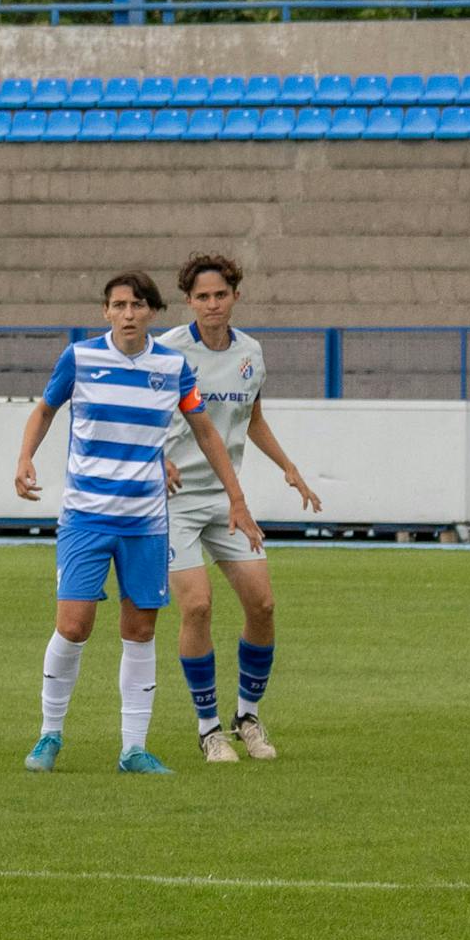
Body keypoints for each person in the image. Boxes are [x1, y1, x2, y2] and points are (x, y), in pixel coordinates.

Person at [11, 270, 261, 775]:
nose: (127, 314)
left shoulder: (171, 367)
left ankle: (133, 748)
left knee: (140, 629)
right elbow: (44, 410)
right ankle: (49, 734)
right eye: (118, 305)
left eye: (136, 306)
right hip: (86, 516)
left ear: (151, 312)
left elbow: (206, 433)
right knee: (73, 625)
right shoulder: (80, 358)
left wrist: (237, 498)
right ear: (106, 312)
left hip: (145, 522)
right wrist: (24, 458)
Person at [154, 254, 324, 763]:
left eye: (220, 295)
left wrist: (287, 466)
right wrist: (157, 457)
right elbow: (139, 416)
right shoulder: (167, 352)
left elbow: (252, 418)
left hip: (227, 501)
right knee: (197, 606)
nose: (212, 304)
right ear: (188, 301)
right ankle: (208, 728)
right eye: (202, 297)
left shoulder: (250, 351)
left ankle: (246, 716)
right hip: (175, 501)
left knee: (263, 604)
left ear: (235, 296)